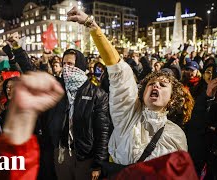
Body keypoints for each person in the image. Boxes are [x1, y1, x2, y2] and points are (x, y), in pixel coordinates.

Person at [67, 6, 193, 165]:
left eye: (162, 85)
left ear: (172, 98)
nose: (156, 86)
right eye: (151, 83)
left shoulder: (177, 135)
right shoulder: (128, 116)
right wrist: (91, 25)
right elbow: (120, 72)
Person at [38, 49, 111, 180]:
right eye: (64, 63)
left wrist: (98, 164)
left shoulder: (97, 94)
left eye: (70, 64)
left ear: (81, 66)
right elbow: (32, 73)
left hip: (85, 156)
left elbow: (102, 131)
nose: (66, 68)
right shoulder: (58, 88)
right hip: (62, 153)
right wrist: (16, 49)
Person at [0, 71, 64, 180]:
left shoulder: (36, 111)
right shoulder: (1, 109)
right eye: (7, 87)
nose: (9, 90)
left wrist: (23, 114)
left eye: (12, 87)